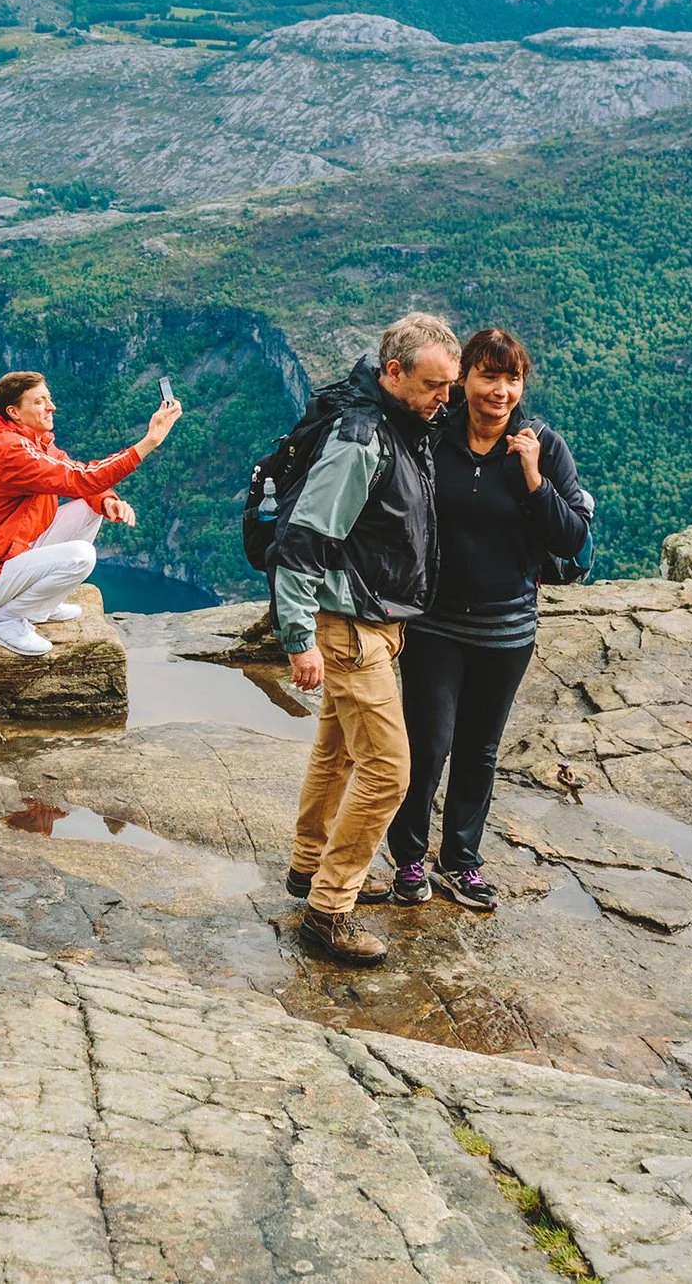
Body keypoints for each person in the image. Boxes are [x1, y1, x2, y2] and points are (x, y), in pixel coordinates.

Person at [272, 312, 459, 968]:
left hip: (372, 618)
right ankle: (329, 911)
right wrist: (299, 636)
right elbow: (304, 539)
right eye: (435, 385)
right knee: (389, 771)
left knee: (338, 752)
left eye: (450, 385)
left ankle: (309, 865)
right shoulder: (362, 437)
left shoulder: (403, 424)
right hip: (349, 626)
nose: (446, 398)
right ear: (393, 372)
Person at [387, 329, 589, 912]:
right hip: (435, 622)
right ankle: (409, 859)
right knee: (428, 745)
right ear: (464, 379)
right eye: (488, 376)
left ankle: (461, 862)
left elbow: (574, 536)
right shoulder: (433, 437)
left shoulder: (543, 446)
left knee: (479, 748)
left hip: (507, 629)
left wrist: (533, 480)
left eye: (512, 379)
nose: (500, 391)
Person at [0, 370, 181, 657]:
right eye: (39, 401)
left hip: (6, 555)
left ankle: (40, 604)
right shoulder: (11, 452)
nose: (51, 406)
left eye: (49, 399)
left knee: (91, 507)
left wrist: (107, 500)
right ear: (14, 412)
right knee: (81, 556)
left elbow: (76, 474)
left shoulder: (35, 441)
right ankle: (5, 620)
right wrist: (149, 442)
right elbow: (83, 478)